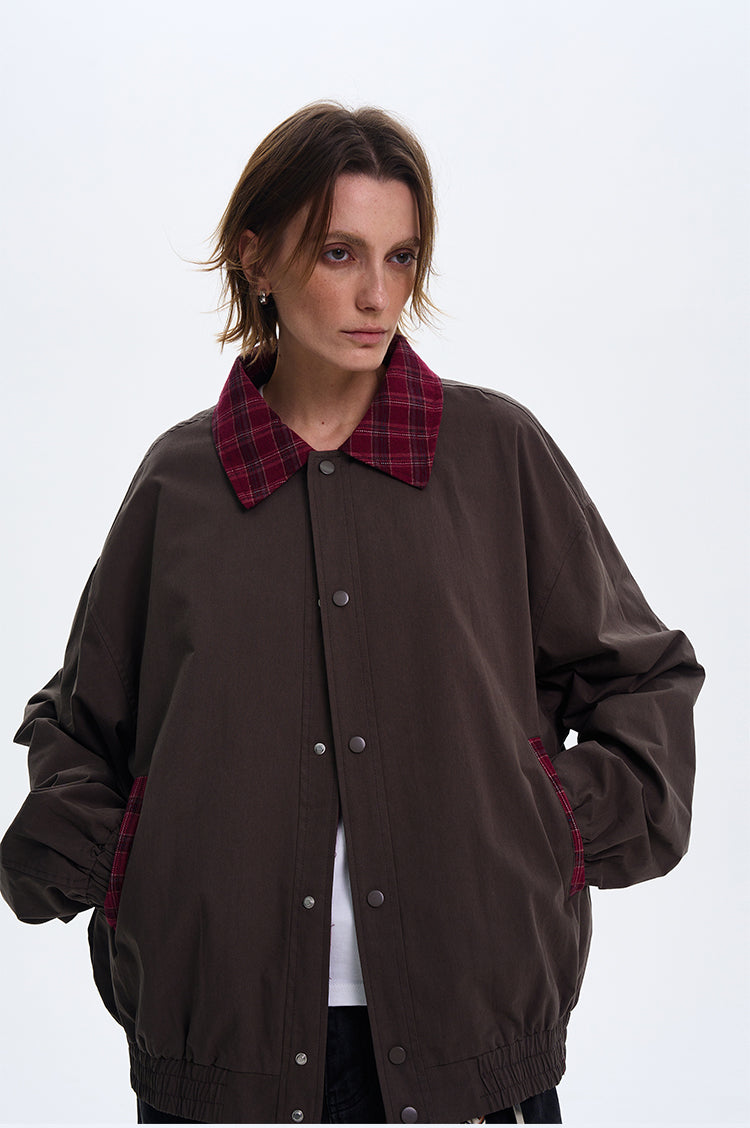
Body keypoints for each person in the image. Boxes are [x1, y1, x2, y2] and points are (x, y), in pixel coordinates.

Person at [0, 102, 703, 1125]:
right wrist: (123, 865)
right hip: (225, 1057)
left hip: (469, 1045)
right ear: (255, 256)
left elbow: (643, 679)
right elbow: (79, 725)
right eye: (340, 253)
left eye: (401, 257)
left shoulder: (494, 454)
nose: (379, 295)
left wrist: (544, 824)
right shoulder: (181, 484)